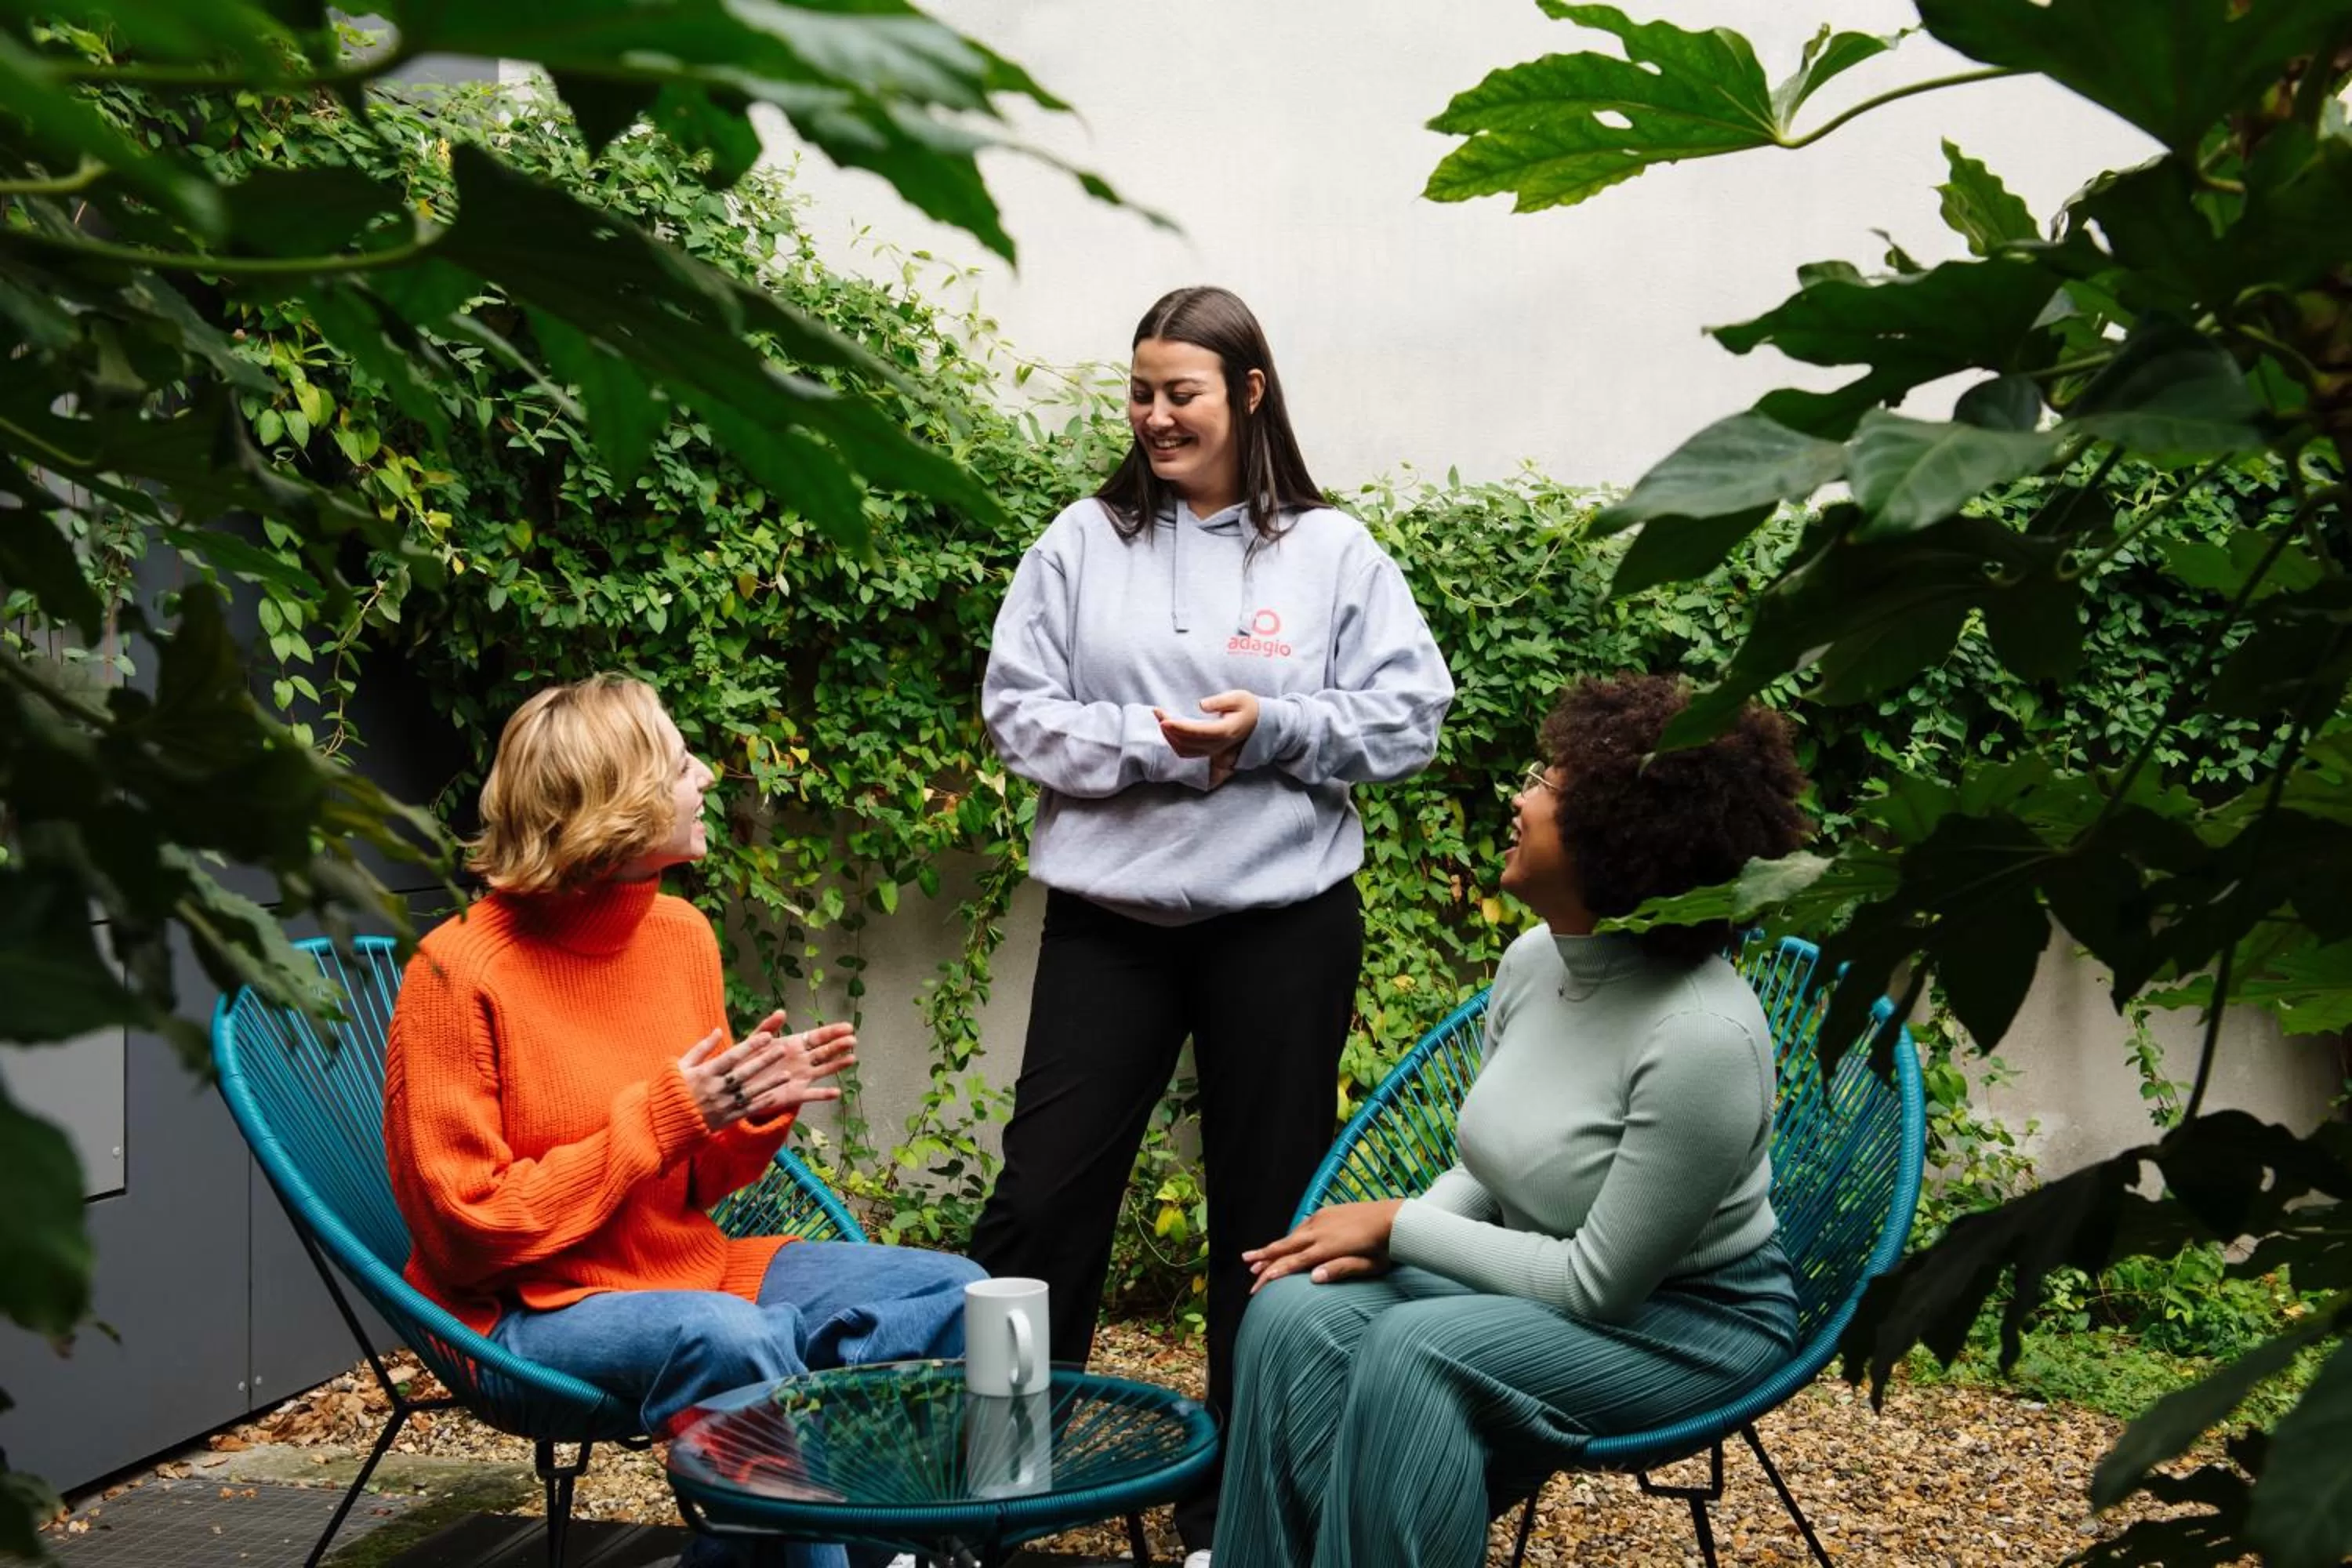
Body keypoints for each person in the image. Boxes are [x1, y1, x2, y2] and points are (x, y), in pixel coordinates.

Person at [973, 285, 1455, 1560]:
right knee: (1038, 1203)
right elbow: (1018, 711)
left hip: (1281, 926)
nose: (1152, 415)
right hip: (1111, 924)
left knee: (1266, 1220)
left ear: (1247, 393)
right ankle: (989, 1493)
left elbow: (1411, 717)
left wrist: (1275, 728)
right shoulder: (1080, 542)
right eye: (1139, 392)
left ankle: (1231, 1520)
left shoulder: (1332, 552)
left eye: (1178, 392)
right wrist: (1156, 742)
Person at [383, 675, 982, 1568]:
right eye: (678, 762)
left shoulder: (679, 934)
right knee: (737, 1341)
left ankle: (868, 1544)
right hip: (521, 1309)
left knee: (958, 1294)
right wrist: (664, 1115)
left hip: (686, 1270)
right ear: (613, 808)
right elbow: (467, 1232)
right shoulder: (456, 971)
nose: (705, 775)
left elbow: (694, 1180)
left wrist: (748, 1117)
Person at [1214, 673, 1812, 1568]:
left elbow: (1599, 1285)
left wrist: (1402, 1225)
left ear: (1620, 838)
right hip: (1545, 1274)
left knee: (1420, 1350)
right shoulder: (1536, 959)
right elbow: (1492, 1172)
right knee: (1294, 1310)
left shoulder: (1701, 1037)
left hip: (1687, 1321)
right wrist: (1394, 1238)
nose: (1522, 796)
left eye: (1550, 783)